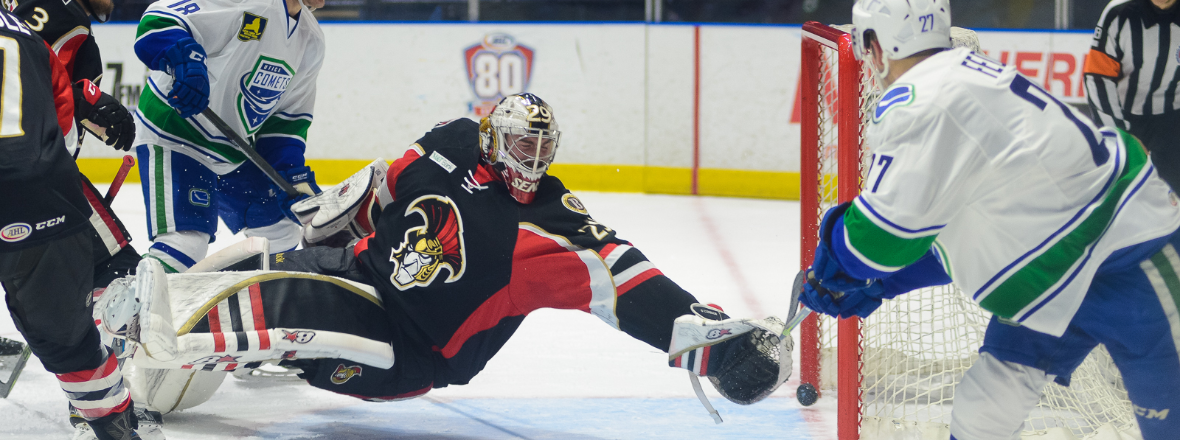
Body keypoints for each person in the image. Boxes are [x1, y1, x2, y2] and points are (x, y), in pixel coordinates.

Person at [94, 94, 793, 420]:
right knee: (250, 257)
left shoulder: (549, 228)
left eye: (544, 152)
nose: (534, 162)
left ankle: (140, 341)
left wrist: (716, 343)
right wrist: (325, 220)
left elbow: (630, 280)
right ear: (493, 138)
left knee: (290, 302)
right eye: (523, 147)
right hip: (363, 281)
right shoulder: (453, 142)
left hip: (411, 349)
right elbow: (382, 187)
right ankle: (143, 339)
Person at [800, 1, 1180, 439]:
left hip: (1127, 256)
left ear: (876, 46)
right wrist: (883, 283)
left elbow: (878, 239)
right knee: (986, 409)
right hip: (1055, 273)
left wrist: (838, 258)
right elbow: (973, 232)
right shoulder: (967, 75)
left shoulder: (921, 101)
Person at [0, 8, 145, 440]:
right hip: (40, 193)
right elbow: (60, 119)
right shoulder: (36, 31)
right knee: (81, 331)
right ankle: (110, 422)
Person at [130, 0, 326, 274]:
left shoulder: (311, 40)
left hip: (233, 151)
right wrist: (185, 61)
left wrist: (290, 174)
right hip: (177, 132)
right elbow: (158, 20)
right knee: (186, 243)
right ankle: (131, 309)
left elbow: (284, 124)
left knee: (281, 235)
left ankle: (240, 304)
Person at [1084, 0, 1180, 190]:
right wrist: (1121, 135)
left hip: (1173, 120)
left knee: (1172, 199)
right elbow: (1097, 77)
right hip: (1125, 117)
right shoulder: (1120, 12)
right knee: (1121, 192)